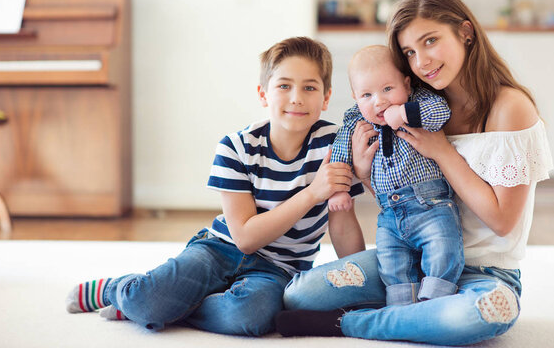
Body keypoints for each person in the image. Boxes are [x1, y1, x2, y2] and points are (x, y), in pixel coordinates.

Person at [276, 0, 553, 345]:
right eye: (409, 51)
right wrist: (363, 174)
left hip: (485, 273)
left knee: (481, 314)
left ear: (466, 33)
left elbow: (502, 222)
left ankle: (350, 323)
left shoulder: (508, 108)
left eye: (431, 41)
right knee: (301, 295)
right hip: (412, 260)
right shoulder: (412, 103)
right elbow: (404, 198)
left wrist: (442, 151)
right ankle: (415, 313)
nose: (421, 61)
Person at [65, 36, 366, 336]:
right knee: (146, 300)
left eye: (309, 88)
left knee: (251, 316)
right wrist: (312, 192)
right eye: (284, 86)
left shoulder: (335, 147)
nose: (297, 97)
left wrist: (358, 286)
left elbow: (342, 225)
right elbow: (246, 238)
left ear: (326, 98)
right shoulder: (236, 146)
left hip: (278, 269)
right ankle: (118, 290)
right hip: (219, 250)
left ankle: (169, 306)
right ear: (264, 94)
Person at [328, 45, 463, 306]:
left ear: (407, 83)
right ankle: (402, 305)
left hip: (430, 204)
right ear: (355, 98)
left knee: (443, 247)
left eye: (388, 89)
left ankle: (436, 301)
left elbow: (440, 113)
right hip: (389, 213)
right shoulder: (357, 120)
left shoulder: (418, 102)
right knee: (391, 261)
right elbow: (340, 151)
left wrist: (403, 114)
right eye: (366, 94)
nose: (379, 101)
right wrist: (339, 189)